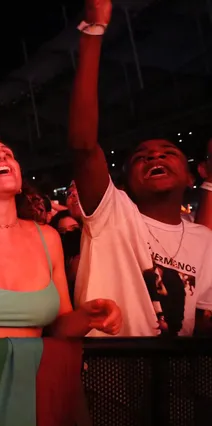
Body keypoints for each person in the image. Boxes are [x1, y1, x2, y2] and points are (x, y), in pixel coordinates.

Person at [69, 0, 212, 336]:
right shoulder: (112, 214)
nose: (154, 158)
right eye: (141, 157)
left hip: (178, 383)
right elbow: (83, 145)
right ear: (126, 183)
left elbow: (204, 321)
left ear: (190, 177)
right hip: (111, 375)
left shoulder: (203, 239)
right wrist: (93, 32)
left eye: (168, 153)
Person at [0, 100, 121, 338]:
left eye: (7, 154)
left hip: (34, 373)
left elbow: (58, 326)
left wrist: (87, 318)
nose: (1, 158)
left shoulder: (47, 238)